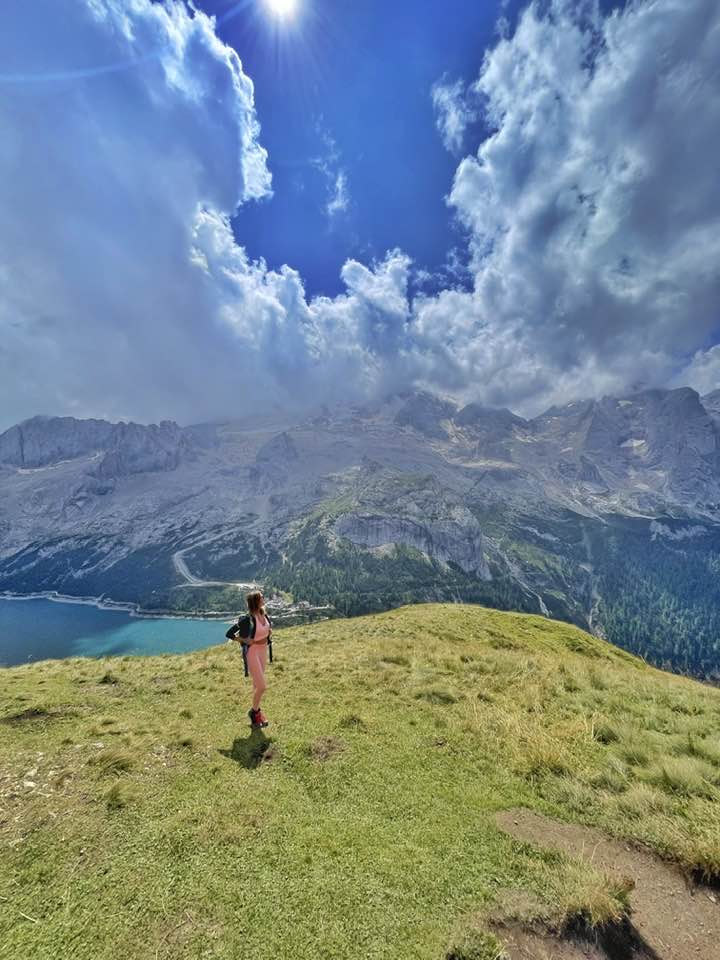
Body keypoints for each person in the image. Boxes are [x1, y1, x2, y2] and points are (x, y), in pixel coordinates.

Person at [242, 590, 272, 728]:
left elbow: (266, 629)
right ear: (256, 601)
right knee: (262, 686)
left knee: (256, 686)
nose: (263, 598)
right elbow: (230, 633)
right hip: (253, 653)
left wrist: (268, 633)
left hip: (263, 650)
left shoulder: (263, 614)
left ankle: (257, 714)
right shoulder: (249, 619)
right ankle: (254, 712)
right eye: (261, 597)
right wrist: (243, 640)